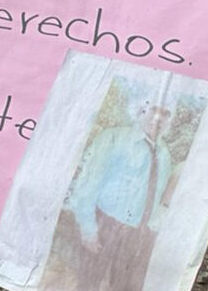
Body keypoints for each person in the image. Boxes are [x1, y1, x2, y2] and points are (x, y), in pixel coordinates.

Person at [64, 101, 174, 291]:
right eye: (153, 109)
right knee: (88, 285)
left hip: (135, 234)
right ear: (141, 110)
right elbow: (87, 187)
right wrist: (89, 230)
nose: (158, 118)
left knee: (123, 287)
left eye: (165, 113)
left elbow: (156, 197)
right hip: (103, 225)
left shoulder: (164, 153)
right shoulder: (114, 138)